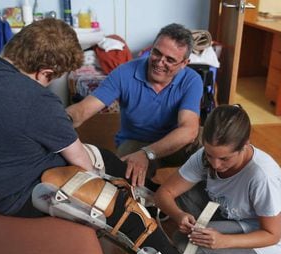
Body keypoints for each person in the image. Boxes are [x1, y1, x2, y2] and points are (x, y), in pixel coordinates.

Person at [0, 19, 245, 254]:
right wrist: (113, 192)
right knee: (123, 211)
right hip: (19, 195)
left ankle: (156, 201)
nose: (161, 62)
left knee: (104, 157)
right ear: (45, 72)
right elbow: (83, 166)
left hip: (25, 167)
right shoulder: (40, 103)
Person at [155, 104, 281, 254]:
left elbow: (272, 234)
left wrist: (224, 241)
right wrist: (179, 215)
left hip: (270, 237)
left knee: (184, 245)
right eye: (209, 155)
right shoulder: (203, 157)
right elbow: (164, 193)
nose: (215, 165)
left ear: (245, 144)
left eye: (224, 158)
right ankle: (227, 253)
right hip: (238, 215)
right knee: (181, 208)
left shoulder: (261, 176)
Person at [66, 23, 203, 187]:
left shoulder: (192, 80)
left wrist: (148, 154)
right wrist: (53, 121)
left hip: (172, 143)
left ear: (184, 63)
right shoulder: (124, 73)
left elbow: (188, 130)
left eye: (170, 60)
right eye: (157, 53)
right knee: (120, 180)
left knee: (210, 148)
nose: (160, 62)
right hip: (135, 142)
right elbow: (82, 111)